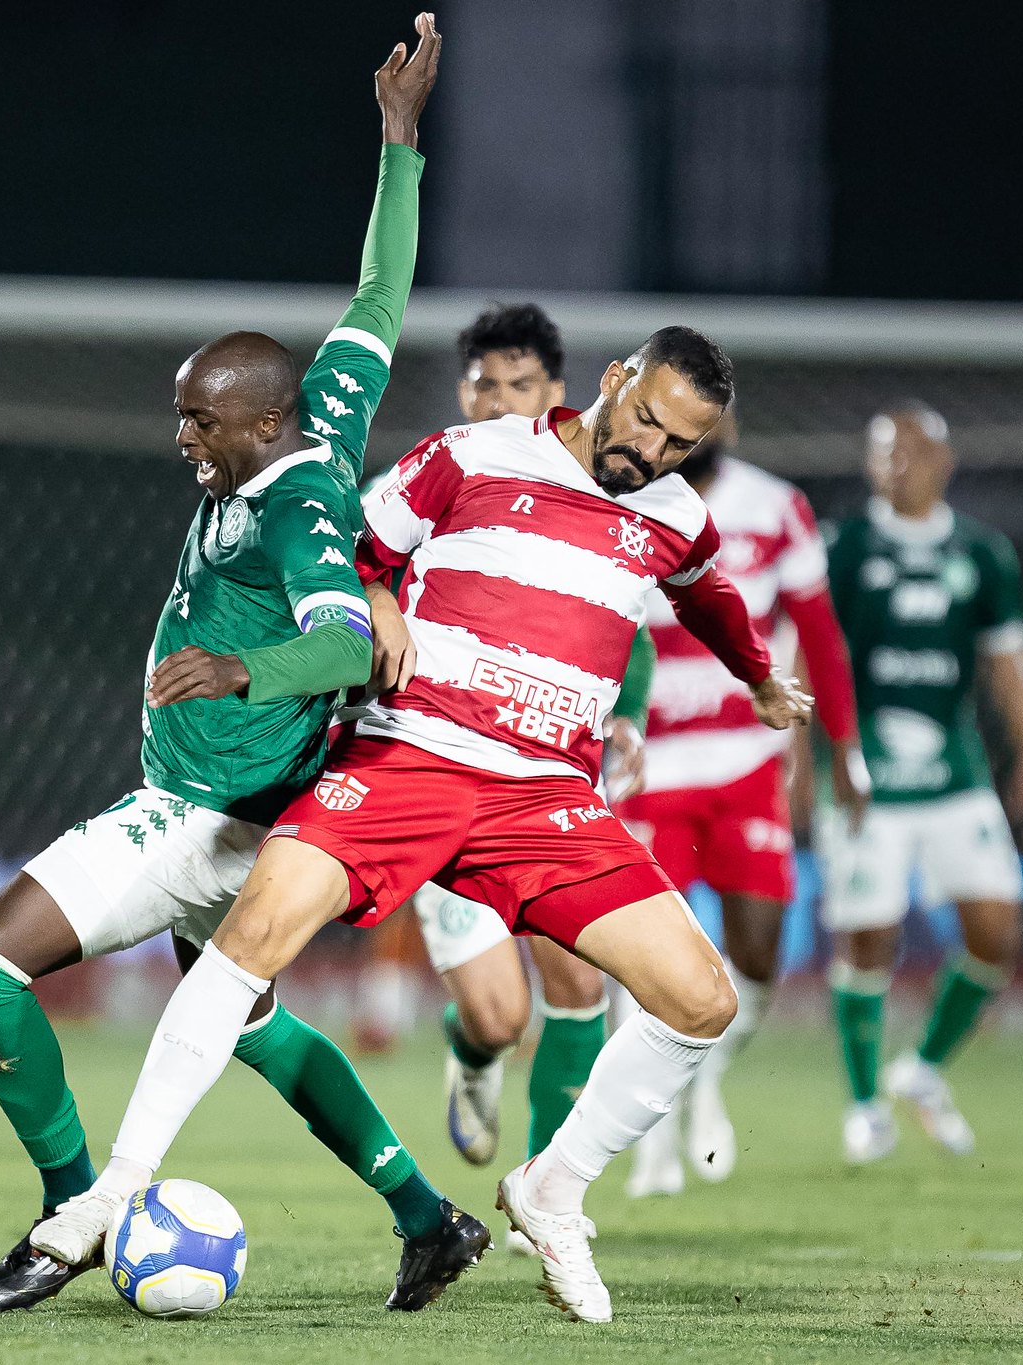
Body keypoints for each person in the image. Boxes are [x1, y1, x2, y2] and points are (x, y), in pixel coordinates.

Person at [31, 326, 815, 1324]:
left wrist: (757, 679)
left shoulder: (673, 515)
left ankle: (550, 1189)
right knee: (254, 934)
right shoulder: (473, 453)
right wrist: (369, 596)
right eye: (646, 423)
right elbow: (343, 541)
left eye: (677, 446)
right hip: (412, 758)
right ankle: (110, 1190)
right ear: (614, 381)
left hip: (545, 800)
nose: (649, 454)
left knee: (698, 998)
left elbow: (706, 596)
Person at [0, 15, 484, 1316]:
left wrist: (249, 677)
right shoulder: (326, 415)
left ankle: (76, 1207)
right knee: (253, 1027)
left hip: (208, 814)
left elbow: (347, 636)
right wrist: (401, 145)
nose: (181, 436)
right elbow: (379, 300)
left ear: (256, 423)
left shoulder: (301, 508)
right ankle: (426, 1214)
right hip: (236, 810)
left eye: (198, 419)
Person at [389, 306, 643, 1233]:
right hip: (444, 773)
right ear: (464, 392)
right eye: (484, 385)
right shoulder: (435, 473)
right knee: (500, 1016)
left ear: (556, 397)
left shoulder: (602, 496)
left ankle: (543, 1188)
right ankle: (473, 1051)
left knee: (580, 985)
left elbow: (629, 622)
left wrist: (633, 721)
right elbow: (360, 570)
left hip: (548, 782)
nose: (498, 400)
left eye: (519, 386)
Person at [616, 407, 865, 1196]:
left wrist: (844, 749)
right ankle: (649, 1140)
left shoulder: (777, 506)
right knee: (647, 961)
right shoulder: (625, 501)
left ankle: (703, 1076)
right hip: (651, 765)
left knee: (758, 957)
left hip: (748, 765)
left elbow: (819, 633)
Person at [818, 403, 1023, 1164]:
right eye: (884, 451)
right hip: (866, 778)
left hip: (955, 774)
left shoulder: (982, 553)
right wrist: (810, 761)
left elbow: (1010, 661)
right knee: (869, 938)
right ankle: (863, 1107)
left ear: (945, 462)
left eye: (913, 451)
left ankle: (919, 1070)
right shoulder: (845, 547)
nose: (897, 464)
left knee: (998, 933)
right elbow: (809, 658)